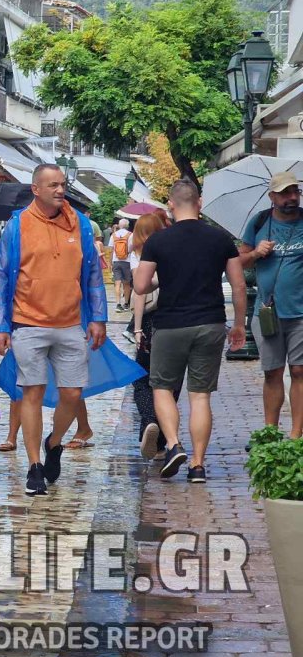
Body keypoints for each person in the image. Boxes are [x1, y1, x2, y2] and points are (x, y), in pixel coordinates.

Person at [0, 164, 108, 496]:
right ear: (36, 189)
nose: (60, 190)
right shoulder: (18, 227)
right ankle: (34, 466)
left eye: (63, 184)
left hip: (71, 323)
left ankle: (53, 442)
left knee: (72, 393)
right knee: (32, 393)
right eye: (53, 185)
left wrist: (98, 317)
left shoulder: (81, 225)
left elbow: (94, 276)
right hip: (28, 323)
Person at [134, 179, 247, 483]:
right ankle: (198, 465)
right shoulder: (220, 238)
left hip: (170, 324)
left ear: (171, 204)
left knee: (161, 388)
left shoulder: (159, 241)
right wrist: (238, 324)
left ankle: (173, 445)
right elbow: (238, 285)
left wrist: (161, 277)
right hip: (210, 323)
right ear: (200, 202)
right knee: (200, 397)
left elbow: (141, 287)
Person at [239, 171, 303, 439]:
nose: (292, 197)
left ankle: (297, 434)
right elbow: (239, 262)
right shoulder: (259, 222)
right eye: (285, 193)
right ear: (272, 196)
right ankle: (270, 432)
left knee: (299, 370)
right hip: (267, 311)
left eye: (295, 191)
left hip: (300, 312)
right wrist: (256, 253)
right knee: (273, 372)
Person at [131, 213, 181, 460]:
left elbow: (139, 295)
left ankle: (149, 422)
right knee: (169, 382)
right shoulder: (172, 251)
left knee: (143, 379)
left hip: (150, 323)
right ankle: (160, 440)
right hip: (173, 319)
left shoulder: (138, 256)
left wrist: (138, 328)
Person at [110, 218, 133, 312]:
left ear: (119, 225)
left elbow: (111, 249)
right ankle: (126, 304)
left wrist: (110, 262)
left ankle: (118, 304)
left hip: (116, 261)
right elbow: (131, 249)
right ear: (127, 225)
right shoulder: (130, 235)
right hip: (127, 261)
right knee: (126, 283)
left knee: (117, 283)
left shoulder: (114, 235)